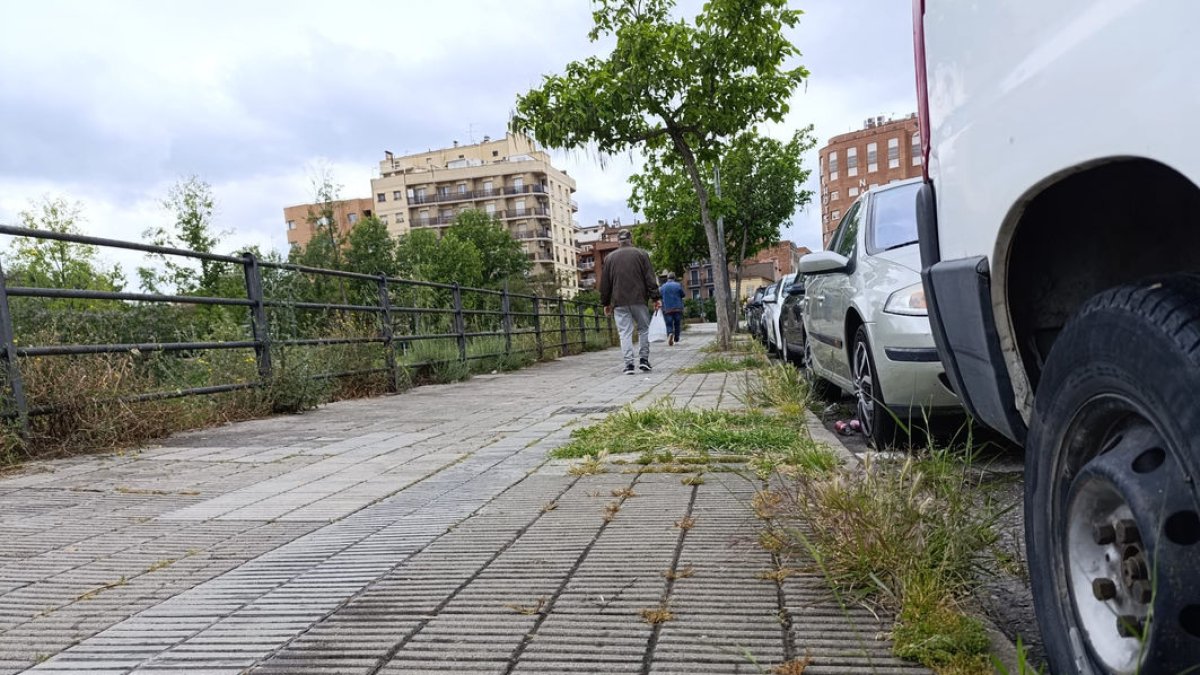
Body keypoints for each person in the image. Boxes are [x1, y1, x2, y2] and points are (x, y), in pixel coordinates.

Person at [600, 229, 661, 374]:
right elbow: (649, 278)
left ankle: (628, 365)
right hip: (639, 298)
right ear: (631, 239)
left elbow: (605, 283)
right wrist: (655, 297)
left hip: (619, 300)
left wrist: (606, 303)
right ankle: (644, 360)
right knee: (643, 329)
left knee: (625, 332)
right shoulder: (642, 254)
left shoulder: (609, 258)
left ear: (618, 241)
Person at [659, 272, 684, 346]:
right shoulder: (678, 285)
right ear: (674, 278)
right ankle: (676, 338)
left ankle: (670, 333)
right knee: (677, 323)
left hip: (667, 308)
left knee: (669, 324)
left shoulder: (663, 287)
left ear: (667, 278)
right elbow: (683, 294)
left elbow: (659, 295)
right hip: (677, 308)